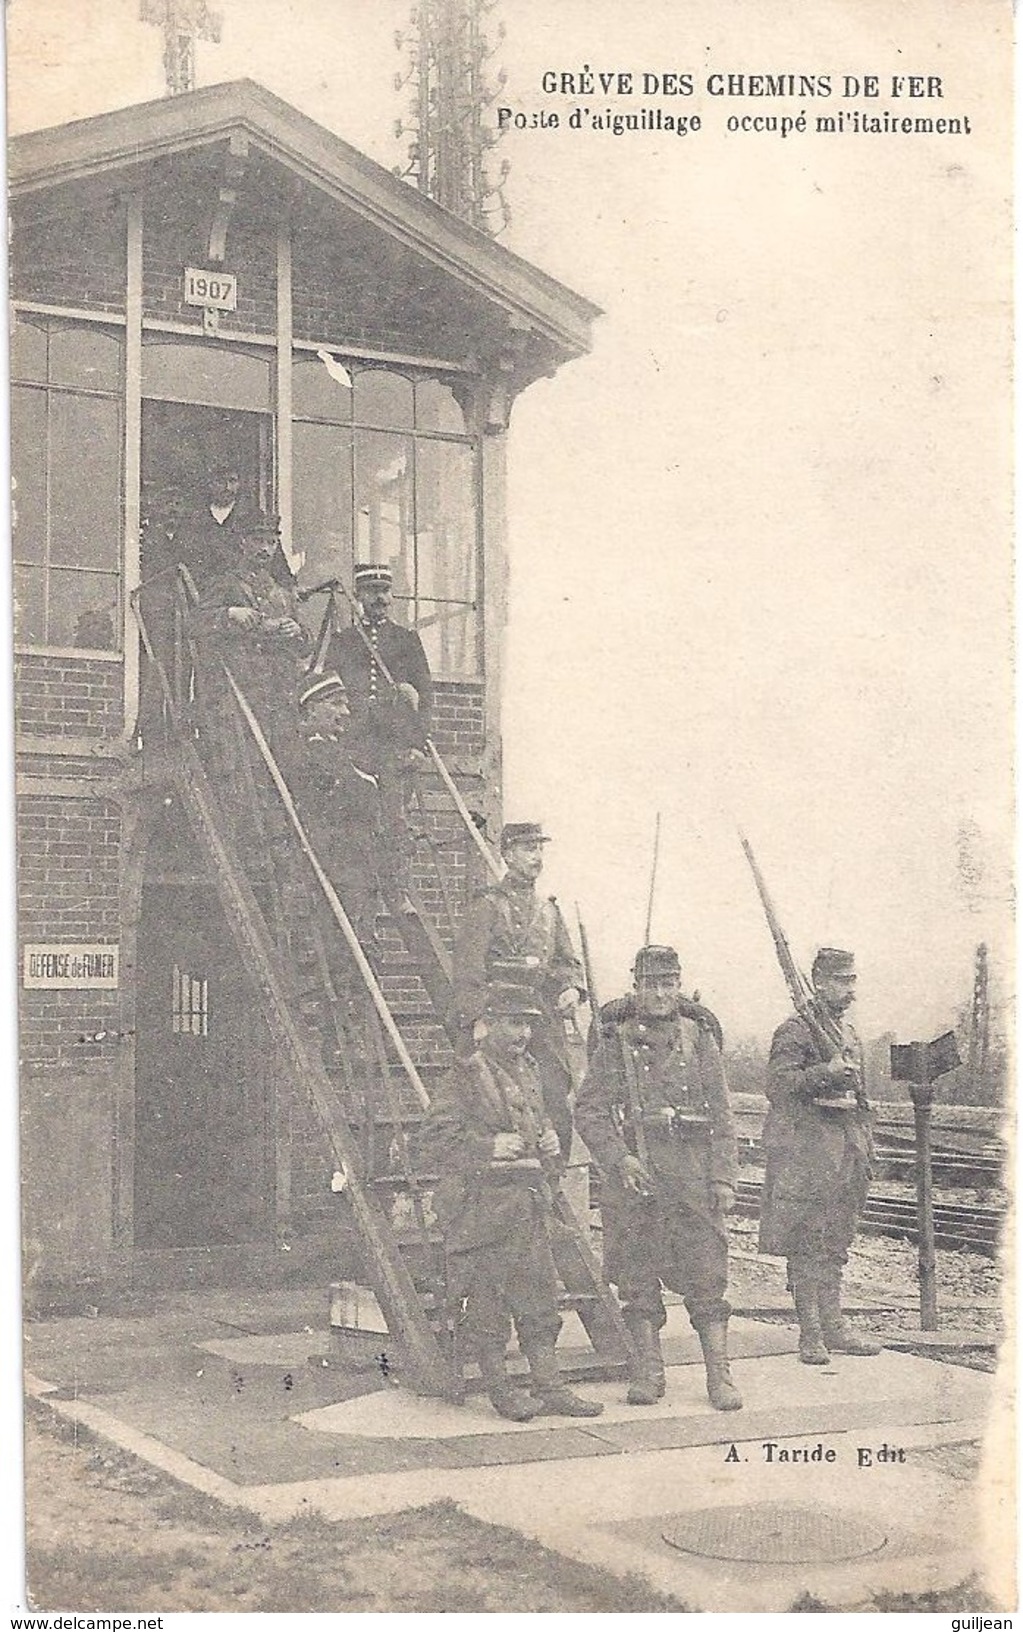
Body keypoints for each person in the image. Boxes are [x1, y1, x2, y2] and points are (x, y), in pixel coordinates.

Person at [421, 983, 604, 1423]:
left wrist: (550, 1140)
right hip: (481, 1208)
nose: (521, 1034)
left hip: (528, 1202)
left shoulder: (531, 1069)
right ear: (487, 1026)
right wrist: (487, 1146)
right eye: (511, 1023)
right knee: (489, 1303)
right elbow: (432, 1141)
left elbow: (537, 1127)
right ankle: (500, 1389)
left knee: (539, 1297)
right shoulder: (465, 1075)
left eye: (526, 1024)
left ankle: (549, 1385)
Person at [575, 944, 743, 1411]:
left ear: (680, 984)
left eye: (668, 983)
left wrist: (723, 1179)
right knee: (636, 1277)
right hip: (636, 1177)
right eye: (650, 984)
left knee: (708, 1278)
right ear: (636, 987)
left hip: (692, 1175)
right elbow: (588, 1110)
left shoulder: (700, 1038)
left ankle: (719, 1378)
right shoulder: (616, 1041)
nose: (660, 993)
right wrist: (617, 1159)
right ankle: (648, 1373)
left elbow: (724, 1117)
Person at [758, 947, 880, 1364]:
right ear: (819, 982)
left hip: (846, 1150)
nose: (852, 989)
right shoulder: (795, 1030)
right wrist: (824, 1074)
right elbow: (777, 1086)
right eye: (843, 980)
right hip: (808, 1152)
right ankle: (810, 1333)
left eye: (853, 979)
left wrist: (866, 1145)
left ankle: (835, 1326)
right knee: (807, 1240)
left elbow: (858, 1096)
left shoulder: (847, 1032)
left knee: (836, 1240)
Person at [451, 822, 584, 1159]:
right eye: (528, 849)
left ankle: (551, 1179)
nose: (536, 857)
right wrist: (478, 1018)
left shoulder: (549, 911)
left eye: (540, 849)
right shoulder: (487, 905)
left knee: (554, 1092)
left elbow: (567, 962)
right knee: (490, 1095)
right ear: (508, 854)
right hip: (497, 1015)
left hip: (540, 1018)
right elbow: (468, 969)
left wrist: (571, 988)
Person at [327, 563, 434, 901]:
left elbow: (425, 695)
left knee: (395, 818)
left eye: (385, 592)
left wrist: (418, 744)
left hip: (392, 744)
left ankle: (397, 889)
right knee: (355, 816)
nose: (381, 599)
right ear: (358, 596)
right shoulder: (344, 641)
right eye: (373, 592)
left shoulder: (407, 640)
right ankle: (355, 890)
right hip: (354, 743)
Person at [190, 511, 310, 775]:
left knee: (279, 764)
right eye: (258, 540)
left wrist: (297, 630)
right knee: (239, 767)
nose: (265, 549)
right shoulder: (225, 584)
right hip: (237, 692)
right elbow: (195, 624)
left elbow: (305, 645)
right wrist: (229, 614)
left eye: (271, 543)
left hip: (278, 694)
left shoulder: (284, 594)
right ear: (243, 543)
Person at [290, 669, 383, 955]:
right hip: (335, 861)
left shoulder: (336, 751)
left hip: (356, 862)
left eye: (345, 703)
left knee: (362, 945)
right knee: (343, 949)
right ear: (311, 708)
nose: (345, 711)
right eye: (336, 703)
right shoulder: (308, 752)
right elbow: (355, 796)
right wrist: (366, 785)